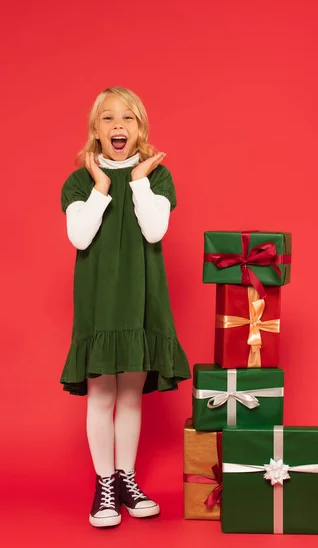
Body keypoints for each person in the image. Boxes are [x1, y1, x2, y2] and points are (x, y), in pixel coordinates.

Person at [60, 86, 191, 527]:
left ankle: (126, 478)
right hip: (99, 300)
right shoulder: (80, 180)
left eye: (128, 118)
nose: (118, 126)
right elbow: (79, 237)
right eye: (108, 118)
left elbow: (154, 231)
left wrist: (136, 183)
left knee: (131, 392)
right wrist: (101, 186)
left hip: (141, 297)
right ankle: (104, 487)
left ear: (140, 129)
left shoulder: (157, 177)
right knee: (101, 392)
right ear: (96, 130)